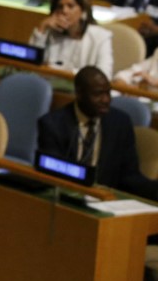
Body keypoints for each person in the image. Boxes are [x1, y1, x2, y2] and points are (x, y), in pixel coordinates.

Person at [37, 65, 158, 200]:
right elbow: (51, 172)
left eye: (108, 93)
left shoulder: (120, 123)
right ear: (79, 94)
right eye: (98, 94)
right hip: (64, 198)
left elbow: (130, 177)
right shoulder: (53, 124)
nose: (106, 100)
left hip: (104, 200)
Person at [29, 0, 113, 79]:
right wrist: (42, 27)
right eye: (60, 7)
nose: (64, 11)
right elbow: (30, 63)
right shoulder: (50, 32)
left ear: (83, 11)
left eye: (70, 6)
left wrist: (66, 72)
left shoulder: (101, 37)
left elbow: (104, 75)